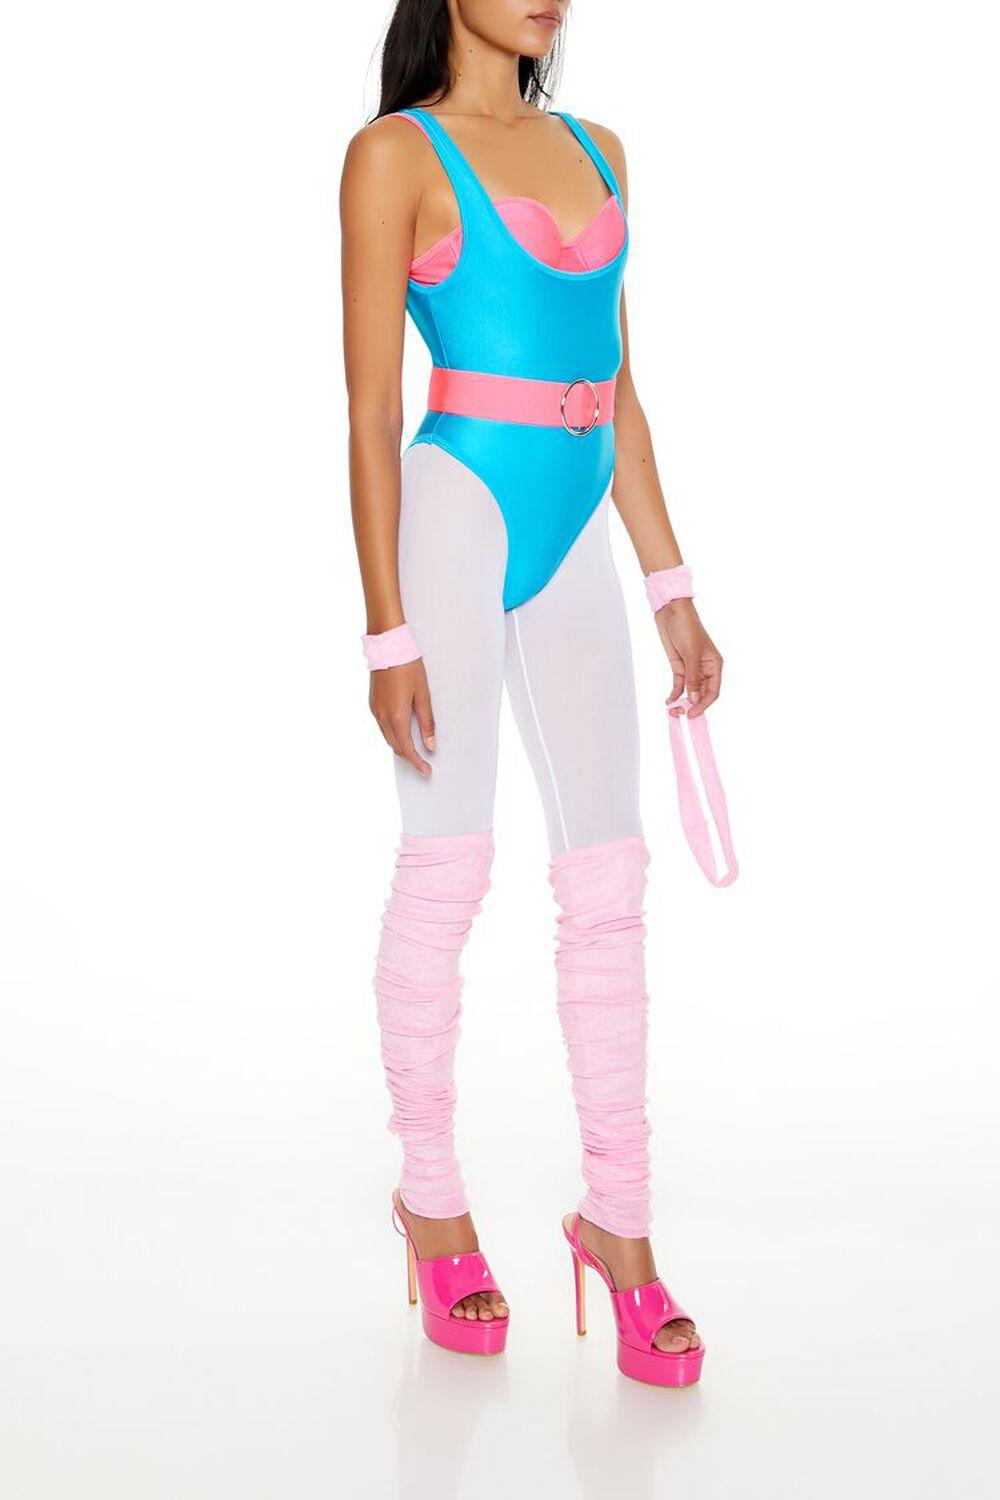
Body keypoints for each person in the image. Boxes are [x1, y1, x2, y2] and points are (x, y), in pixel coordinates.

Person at [341, 0, 723, 1388]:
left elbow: (619, 391)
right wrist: (387, 633)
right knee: (447, 868)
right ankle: (433, 1199)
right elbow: (370, 410)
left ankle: (619, 1223)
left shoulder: (600, 149)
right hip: (456, 511)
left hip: (575, 530)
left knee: (609, 877)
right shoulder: (396, 154)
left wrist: (671, 587)